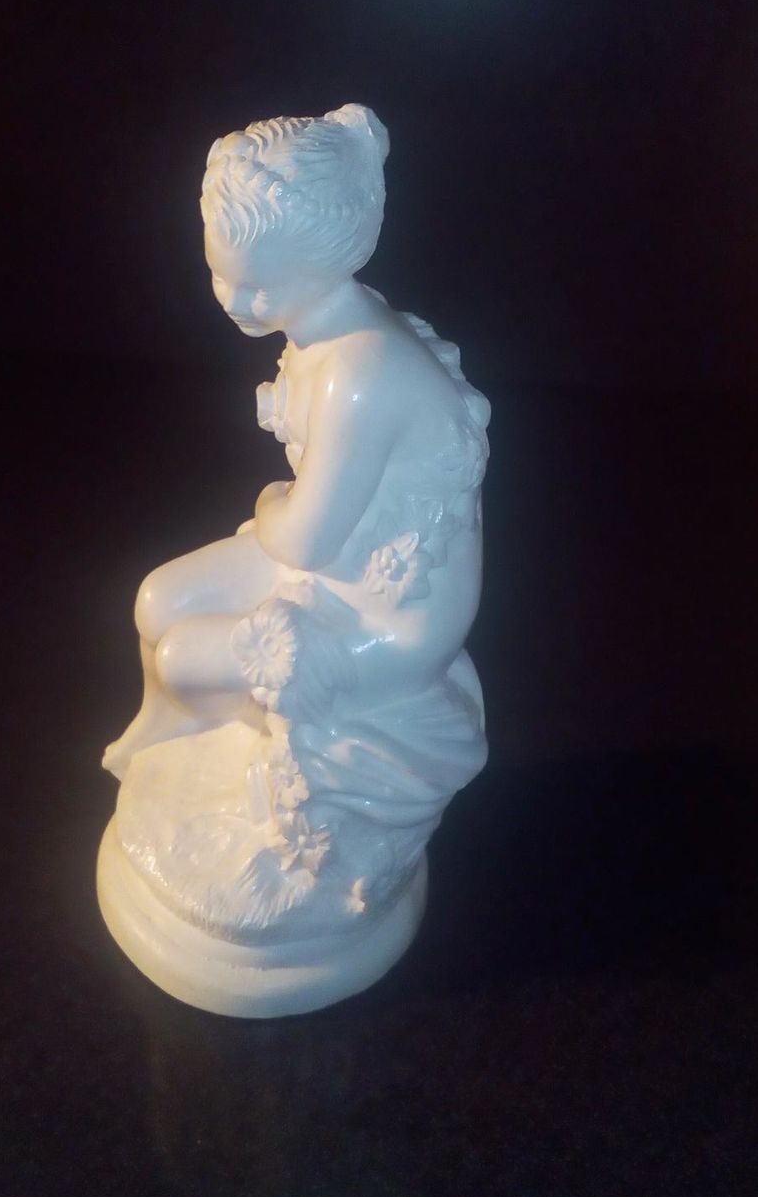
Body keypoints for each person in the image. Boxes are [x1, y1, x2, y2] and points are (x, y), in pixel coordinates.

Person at [104, 104, 489, 786]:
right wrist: (288, 511)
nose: (233, 301)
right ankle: (169, 733)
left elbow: (305, 541)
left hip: (388, 620)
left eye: (258, 288)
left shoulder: (359, 372)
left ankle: (276, 750)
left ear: (330, 264)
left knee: (181, 657)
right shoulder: (323, 327)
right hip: (338, 552)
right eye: (221, 275)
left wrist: (270, 499)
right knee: (156, 600)